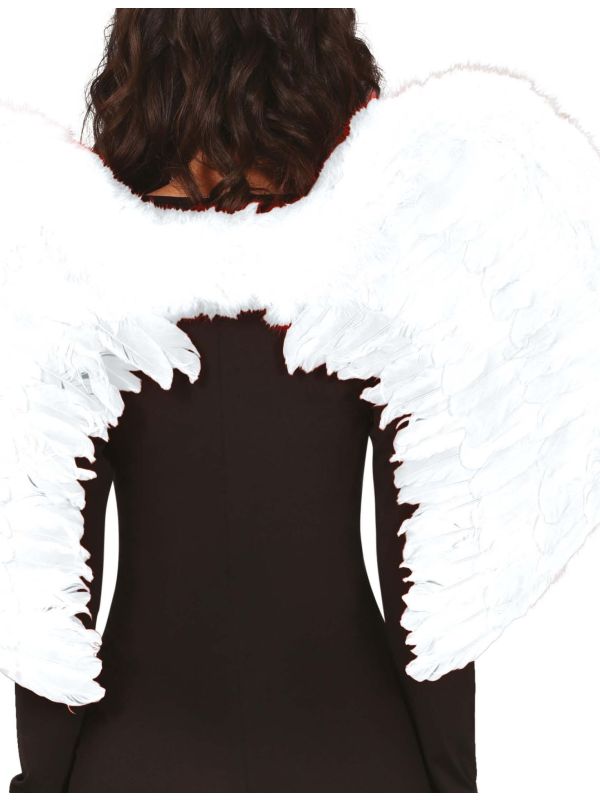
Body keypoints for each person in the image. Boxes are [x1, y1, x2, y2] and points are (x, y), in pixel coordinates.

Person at [4, 7, 600, 795]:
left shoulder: (79, 273)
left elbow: (49, 572)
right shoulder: (377, 267)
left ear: (143, 64)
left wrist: (45, 779)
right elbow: (424, 570)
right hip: (359, 753)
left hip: (136, 757)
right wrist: (450, 777)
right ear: (313, 62)